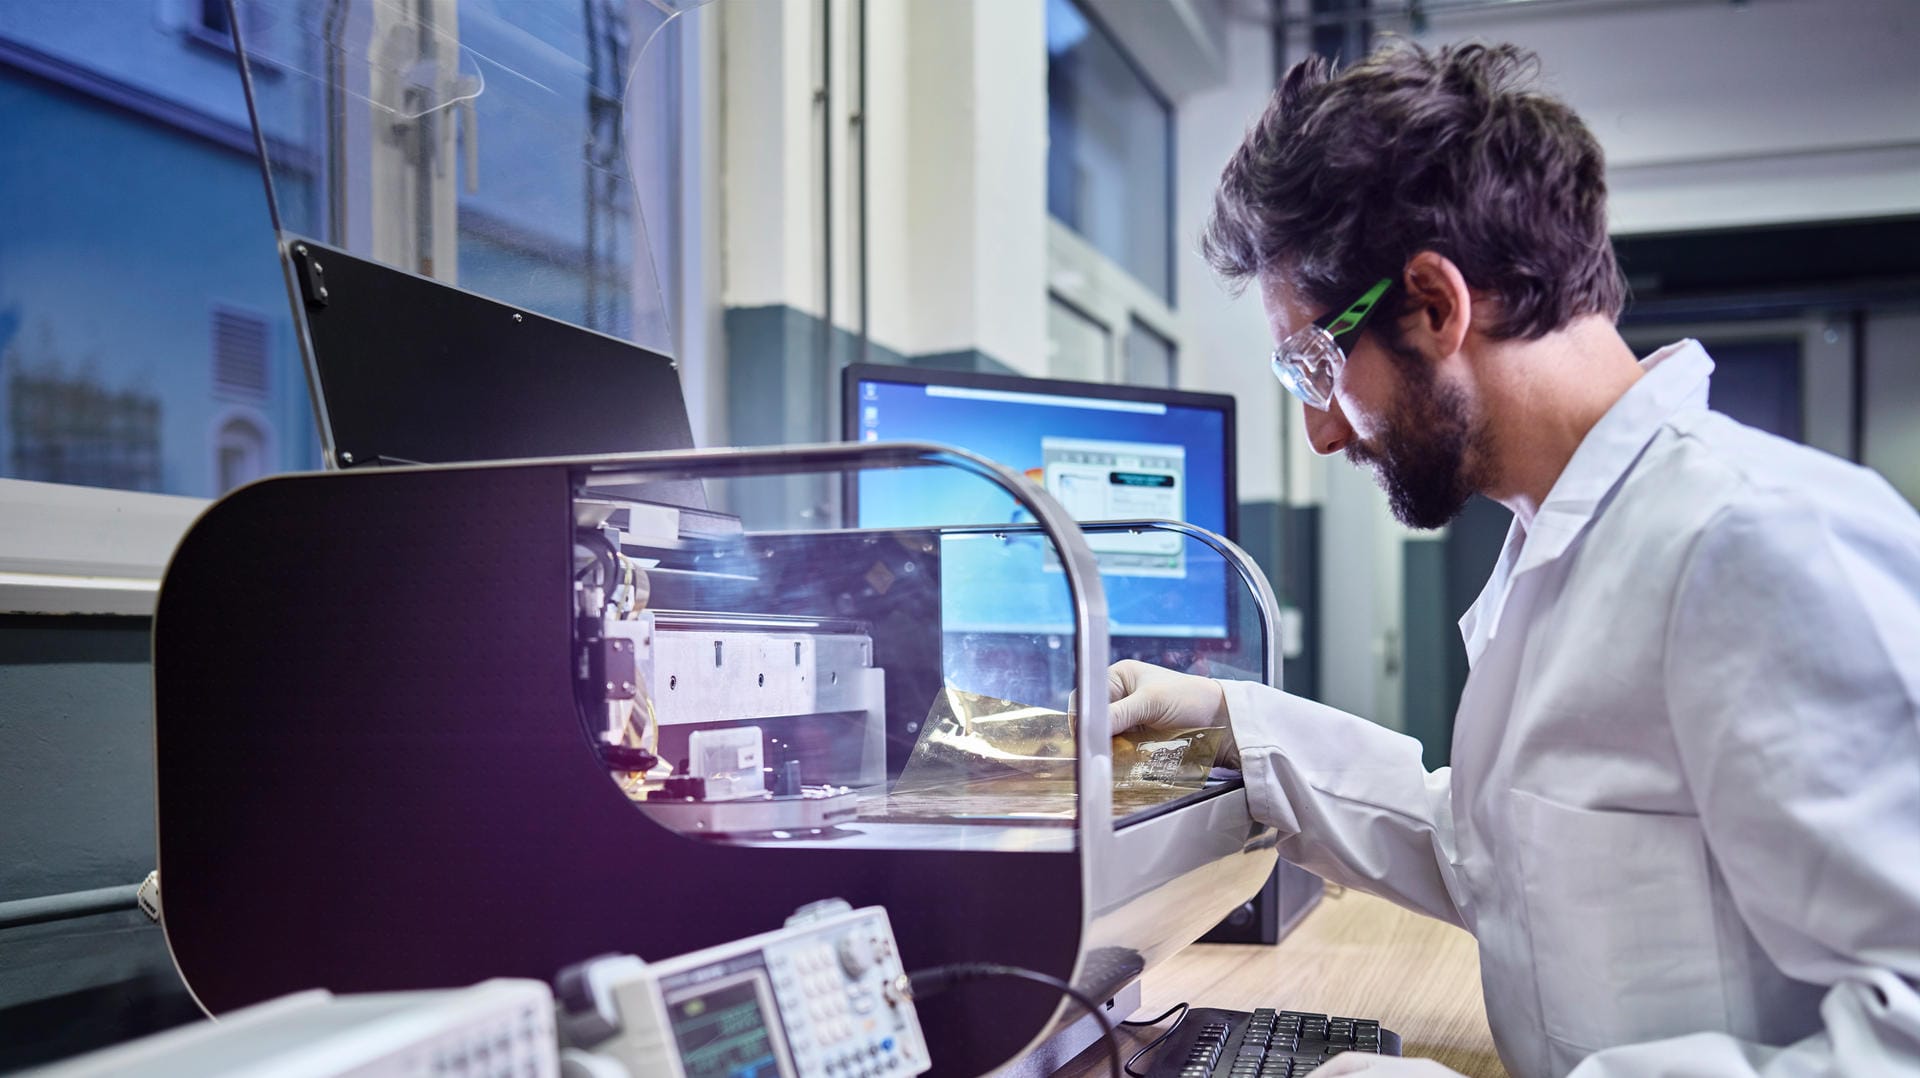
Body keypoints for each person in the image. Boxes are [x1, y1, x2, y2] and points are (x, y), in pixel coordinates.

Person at [1106, 41, 1920, 1078]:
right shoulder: (1565, 538)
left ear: (1437, 305)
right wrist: (1231, 723)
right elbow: (1500, 858)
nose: (1321, 431)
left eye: (1316, 363)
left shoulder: (1760, 543)